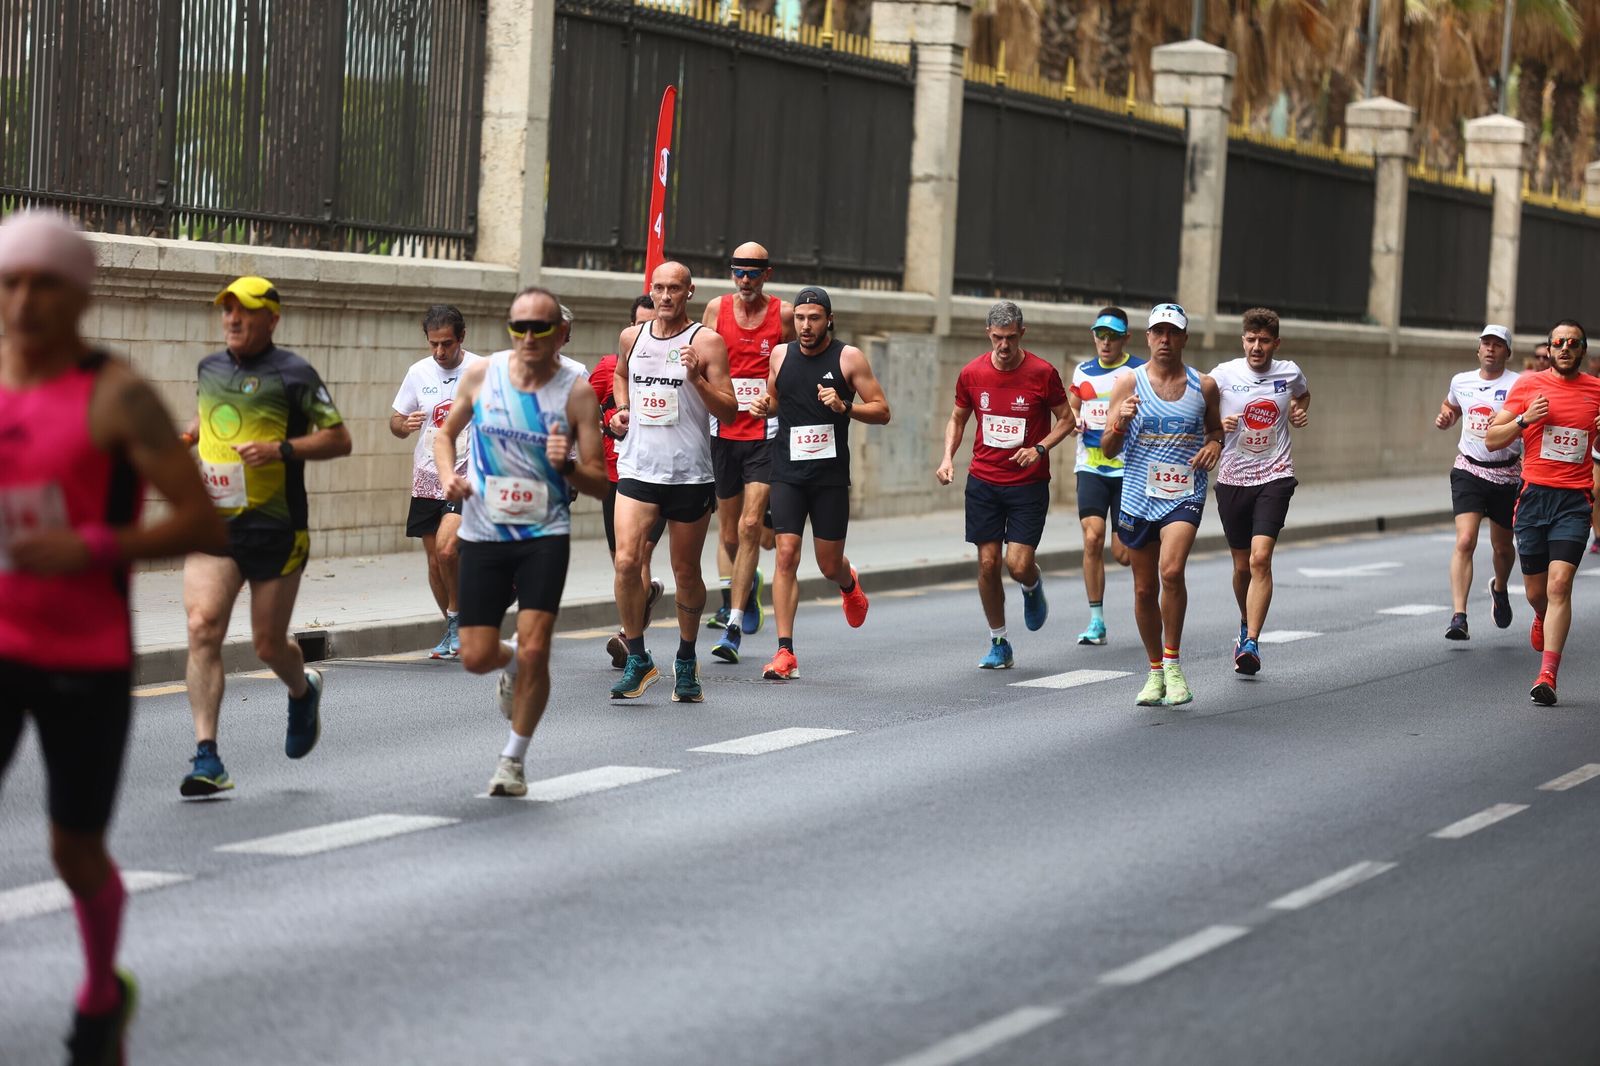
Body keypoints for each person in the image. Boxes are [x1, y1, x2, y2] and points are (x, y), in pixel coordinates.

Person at [0, 210, 228, 1063]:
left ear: (80, 294)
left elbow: (204, 522)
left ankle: (102, 991)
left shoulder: (117, 394)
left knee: (74, 846)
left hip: (82, 657)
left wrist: (92, 545)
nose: (24, 302)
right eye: (10, 282)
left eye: (44, 284)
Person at [179, 276, 351, 796]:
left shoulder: (294, 374)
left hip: (277, 527)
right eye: (226, 310)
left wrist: (282, 450)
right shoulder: (210, 368)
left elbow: (338, 439)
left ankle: (302, 691)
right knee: (203, 624)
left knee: (267, 643)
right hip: (216, 522)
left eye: (245, 311)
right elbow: (208, 417)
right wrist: (186, 435)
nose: (232, 319)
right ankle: (206, 756)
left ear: (271, 319)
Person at [434, 286, 608, 794]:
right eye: (520, 327)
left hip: (543, 534)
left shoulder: (575, 391)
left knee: (537, 650)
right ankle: (509, 663)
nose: (529, 337)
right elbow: (444, 434)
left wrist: (568, 465)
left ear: (559, 333)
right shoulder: (483, 375)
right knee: (474, 655)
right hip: (484, 530)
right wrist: (448, 475)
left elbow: (600, 482)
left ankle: (513, 761)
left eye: (541, 328)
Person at [608, 262, 738, 701]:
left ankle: (686, 658)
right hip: (639, 468)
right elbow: (620, 375)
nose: (665, 297)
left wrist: (698, 377)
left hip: (689, 474)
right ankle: (639, 657)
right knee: (626, 561)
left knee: (685, 572)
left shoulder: (707, 341)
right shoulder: (633, 337)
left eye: (674, 289)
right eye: (659, 288)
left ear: (689, 292)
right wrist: (621, 408)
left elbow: (729, 410)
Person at [747, 286, 890, 680]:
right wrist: (764, 405)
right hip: (788, 471)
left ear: (829, 319)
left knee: (828, 564)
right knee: (785, 554)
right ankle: (785, 652)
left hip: (828, 478)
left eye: (813, 318)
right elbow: (777, 399)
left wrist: (845, 407)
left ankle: (848, 583)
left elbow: (882, 411)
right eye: (799, 319)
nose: (806, 326)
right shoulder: (780, 354)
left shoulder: (848, 358)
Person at [936, 301, 1074, 668]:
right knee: (986, 563)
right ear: (988, 335)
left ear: (1021, 334)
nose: (1004, 346)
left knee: (1017, 564)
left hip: (1028, 484)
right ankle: (999, 641)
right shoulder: (971, 374)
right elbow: (957, 418)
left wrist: (1040, 448)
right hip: (983, 480)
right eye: (997, 338)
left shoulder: (1042, 373)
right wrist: (948, 457)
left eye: (1010, 338)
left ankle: (1031, 584)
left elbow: (1067, 420)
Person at [1100, 303, 1222, 707]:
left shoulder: (1202, 385)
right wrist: (1120, 420)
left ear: (1184, 338)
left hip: (1184, 492)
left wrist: (1213, 446)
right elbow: (1108, 448)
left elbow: (1215, 431)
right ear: (1148, 337)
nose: (1165, 340)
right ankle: (1154, 671)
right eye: (1158, 332)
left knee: (1171, 571)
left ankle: (1173, 663)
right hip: (1137, 494)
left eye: (1173, 333)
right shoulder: (1127, 384)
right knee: (1143, 587)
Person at [1484, 320, 1600, 705]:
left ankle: (1547, 675)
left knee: (1559, 585)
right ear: (1548, 349)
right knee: (1537, 593)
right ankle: (1539, 614)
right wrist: (1523, 419)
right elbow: (1491, 437)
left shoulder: (1596, 391)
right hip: (1534, 498)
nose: (1565, 348)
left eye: (1573, 343)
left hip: (1574, 502)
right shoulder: (1529, 386)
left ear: (1583, 350)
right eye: (1558, 342)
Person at [703, 242, 794, 663]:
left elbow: (794, 368)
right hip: (723, 430)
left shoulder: (785, 315)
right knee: (726, 534)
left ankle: (734, 624)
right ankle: (747, 586)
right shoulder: (714, 311)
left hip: (765, 431)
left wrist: (779, 403)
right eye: (738, 272)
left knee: (750, 525)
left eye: (753, 273)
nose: (745, 280)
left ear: (767, 273)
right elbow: (702, 365)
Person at [1210, 308, 1310, 674]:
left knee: (1259, 559)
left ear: (1275, 344)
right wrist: (1218, 425)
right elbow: (1203, 414)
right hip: (1233, 479)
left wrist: (1299, 410)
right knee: (1241, 568)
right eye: (1251, 340)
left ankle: (1251, 641)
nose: (1257, 347)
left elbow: (1303, 395)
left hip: (1275, 475)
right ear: (1243, 341)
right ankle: (1244, 618)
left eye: (1264, 341)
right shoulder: (1222, 375)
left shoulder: (1289, 372)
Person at [390, 304, 484, 659]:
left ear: (461, 337)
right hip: (427, 475)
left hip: (466, 475)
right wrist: (405, 424)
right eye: (434, 344)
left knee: (448, 550)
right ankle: (453, 626)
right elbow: (395, 423)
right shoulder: (418, 372)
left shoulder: (481, 370)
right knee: (434, 561)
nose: (440, 352)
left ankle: (461, 622)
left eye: (447, 344)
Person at [592, 295, 666, 667]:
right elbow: (585, 414)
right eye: (639, 324)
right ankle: (642, 602)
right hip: (615, 475)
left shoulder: (676, 361)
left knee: (641, 554)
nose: (646, 331)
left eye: (652, 323)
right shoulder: (609, 367)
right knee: (623, 560)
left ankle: (629, 638)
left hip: (659, 474)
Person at [1434, 324, 1520, 641]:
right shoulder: (1461, 381)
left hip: (1507, 473)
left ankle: (1499, 587)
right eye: (1486, 343)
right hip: (1468, 468)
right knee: (1465, 540)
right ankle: (1459, 616)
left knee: (1502, 547)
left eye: (1498, 345)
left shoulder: (1518, 384)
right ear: (1478, 348)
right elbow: (1451, 406)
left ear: (1507, 352)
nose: (1490, 349)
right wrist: (1446, 417)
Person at [1068, 306, 1144, 645]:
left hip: (1129, 468)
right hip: (1091, 466)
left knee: (1123, 555)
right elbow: (1070, 407)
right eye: (1100, 334)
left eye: (1113, 336)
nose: (1106, 341)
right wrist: (1074, 420)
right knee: (1092, 538)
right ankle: (1096, 621)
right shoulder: (1083, 371)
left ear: (1126, 338)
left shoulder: (1139, 370)